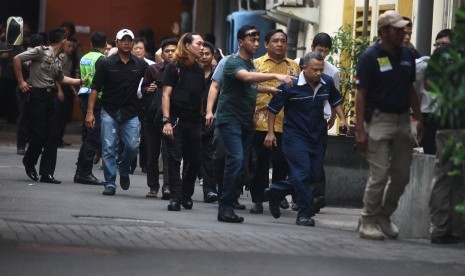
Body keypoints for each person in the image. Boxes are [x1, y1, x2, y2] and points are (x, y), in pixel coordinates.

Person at [355, 10, 423, 240]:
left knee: (402, 174)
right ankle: (368, 221)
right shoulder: (370, 57)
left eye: (403, 28)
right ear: (384, 32)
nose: (402, 32)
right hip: (378, 120)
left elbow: (410, 88)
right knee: (380, 174)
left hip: (403, 119)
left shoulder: (407, 55)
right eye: (397, 29)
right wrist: (360, 131)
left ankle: (384, 215)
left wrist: (419, 117)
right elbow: (360, 95)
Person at [214, 25, 294, 223]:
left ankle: (229, 204)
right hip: (230, 119)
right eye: (252, 39)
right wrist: (275, 76)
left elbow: (251, 85)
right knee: (236, 161)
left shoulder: (249, 63)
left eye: (258, 39)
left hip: (245, 121)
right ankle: (225, 206)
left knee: (241, 166)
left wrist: (270, 90)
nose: (256, 43)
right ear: (241, 42)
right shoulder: (233, 62)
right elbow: (246, 77)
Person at [264, 52, 347, 227]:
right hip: (294, 137)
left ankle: (276, 190)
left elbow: (336, 100)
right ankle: (304, 213)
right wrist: (270, 133)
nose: (318, 73)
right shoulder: (290, 86)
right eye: (315, 70)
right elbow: (272, 110)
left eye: (321, 69)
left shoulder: (327, 82)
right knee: (301, 174)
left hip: (316, 136)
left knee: (312, 176)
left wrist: (343, 120)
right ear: (304, 68)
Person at [13, 28, 86, 184]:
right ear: (63, 41)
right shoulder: (40, 51)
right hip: (37, 96)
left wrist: (80, 81)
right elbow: (17, 59)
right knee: (40, 134)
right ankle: (29, 161)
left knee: (53, 136)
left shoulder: (57, 58)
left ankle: (47, 173)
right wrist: (21, 82)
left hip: (50, 97)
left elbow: (61, 78)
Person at [85, 29, 148, 196]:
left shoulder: (141, 65)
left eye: (129, 40)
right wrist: (90, 112)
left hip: (131, 112)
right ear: (117, 42)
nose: (126, 42)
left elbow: (147, 85)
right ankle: (110, 182)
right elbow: (95, 88)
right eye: (123, 40)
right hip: (109, 111)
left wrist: (150, 88)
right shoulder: (106, 63)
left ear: (133, 43)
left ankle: (124, 168)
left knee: (133, 146)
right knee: (108, 148)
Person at [249, 29, 300, 214]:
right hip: (259, 121)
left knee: (282, 163)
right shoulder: (256, 64)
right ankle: (257, 200)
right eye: (275, 41)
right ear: (266, 44)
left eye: (283, 41)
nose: (279, 44)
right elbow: (249, 87)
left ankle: (276, 197)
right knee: (259, 164)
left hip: (286, 123)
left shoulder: (294, 67)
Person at [161, 32, 205, 211]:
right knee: (173, 158)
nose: (202, 48)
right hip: (176, 120)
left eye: (203, 45)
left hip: (194, 122)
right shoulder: (174, 67)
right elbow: (166, 95)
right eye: (199, 44)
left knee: (195, 160)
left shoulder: (199, 69)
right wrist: (166, 121)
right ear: (187, 46)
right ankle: (176, 197)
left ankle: (186, 193)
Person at [427, 29, 461, 244]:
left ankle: (440, 229)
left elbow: (428, 85)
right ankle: (452, 229)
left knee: (444, 177)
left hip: (448, 123)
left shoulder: (441, 55)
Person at [140, 38, 177, 199]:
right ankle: (153, 187)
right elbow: (142, 90)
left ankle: (167, 187)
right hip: (151, 117)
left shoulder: (180, 71)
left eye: (173, 50)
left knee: (168, 153)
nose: (170, 54)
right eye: (167, 51)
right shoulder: (152, 69)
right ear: (161, 54)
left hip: (171, 118)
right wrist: (150, 89)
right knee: (152, 153)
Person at [73, 31, 107, 185]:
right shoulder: (102, 59)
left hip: (84, 96)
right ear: (105, 45)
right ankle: (85, 172)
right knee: (93, 136)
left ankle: (80, 172)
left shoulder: (84, 57)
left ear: (91, 44)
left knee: (87, 135)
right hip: (96, 99)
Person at [199, 41, 218, 203]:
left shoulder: (217, 77)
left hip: (211, 121)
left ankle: (210, 190)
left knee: (209, 156)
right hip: (190, 121)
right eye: (201, 53)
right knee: (191, 156)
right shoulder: (189, 73)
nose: (204, 57)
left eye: (207, 54)